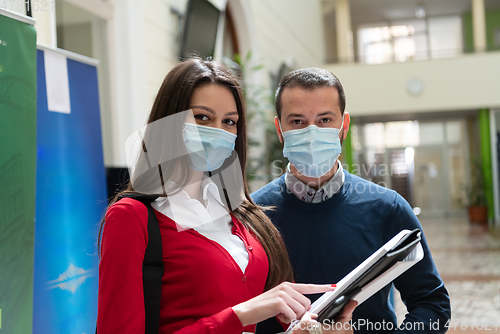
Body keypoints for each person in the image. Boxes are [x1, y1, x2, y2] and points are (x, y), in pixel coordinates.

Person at [96, 58, 356, 334]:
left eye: (229, 121)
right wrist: (240, 314)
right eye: (202, 117)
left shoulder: (242, 214)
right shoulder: (132, 217)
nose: (218, 131)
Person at [252, 67, 451, 334]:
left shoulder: (387, 208)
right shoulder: (253, 217)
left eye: (324, 120)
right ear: (280, 129)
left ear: (344, 126)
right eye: (297, 121)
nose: (312, 133)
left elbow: (431, 303)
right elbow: (232, 312)